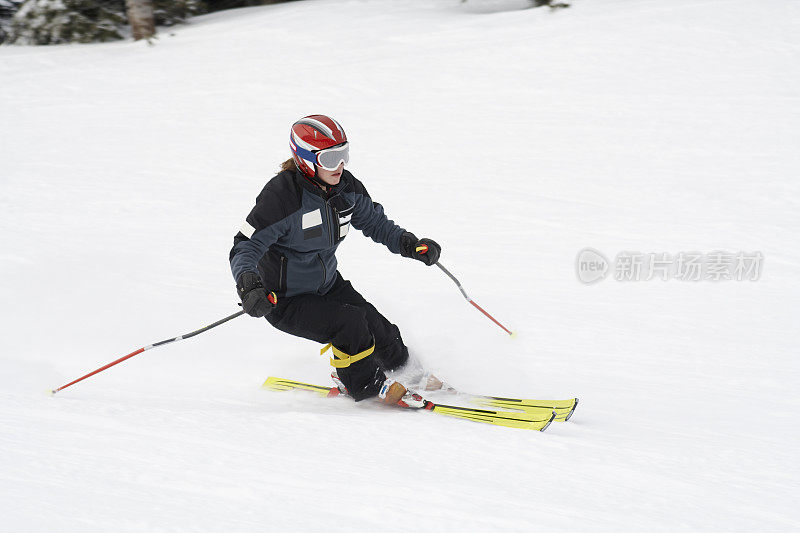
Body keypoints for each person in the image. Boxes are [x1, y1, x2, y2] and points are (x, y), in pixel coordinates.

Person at [229, 115, 442, 407]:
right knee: (350, 325)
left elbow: (375, 223)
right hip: (285, 298)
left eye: (343, 155)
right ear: (305, 159)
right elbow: (246, 245)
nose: (339, 166)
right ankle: (365, 384)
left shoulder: (346, 188)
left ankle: (410, 373)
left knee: (380, 329)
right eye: (330, 158)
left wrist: (409, 244)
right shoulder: (282, 198)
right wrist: (248, 284)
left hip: (327, 284)